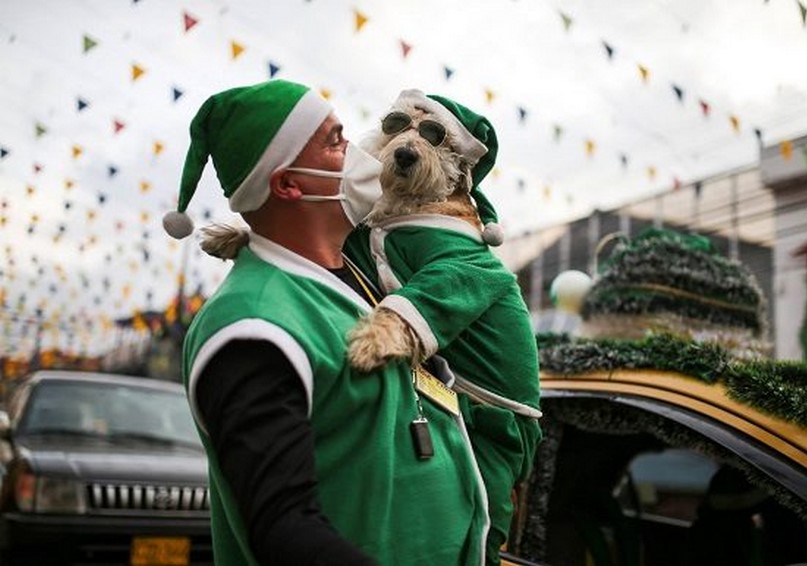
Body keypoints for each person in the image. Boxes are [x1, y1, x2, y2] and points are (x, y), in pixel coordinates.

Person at [162, 79, 489, 565]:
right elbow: (285, 528)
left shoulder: (352, 276)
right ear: (290, 184)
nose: (364, 151)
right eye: (336, 142)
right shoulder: (254, 325)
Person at [344, 91, 541, 565]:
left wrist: (393, 325)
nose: (409, 145)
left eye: (432, 136)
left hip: (497, 414)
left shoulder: (456, 241)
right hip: (442, 401)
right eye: (398, 127)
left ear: (457, 170)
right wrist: (259, 235)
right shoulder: (385, 223)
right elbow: (333, 247)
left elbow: (457, 278)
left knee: (476, 530)